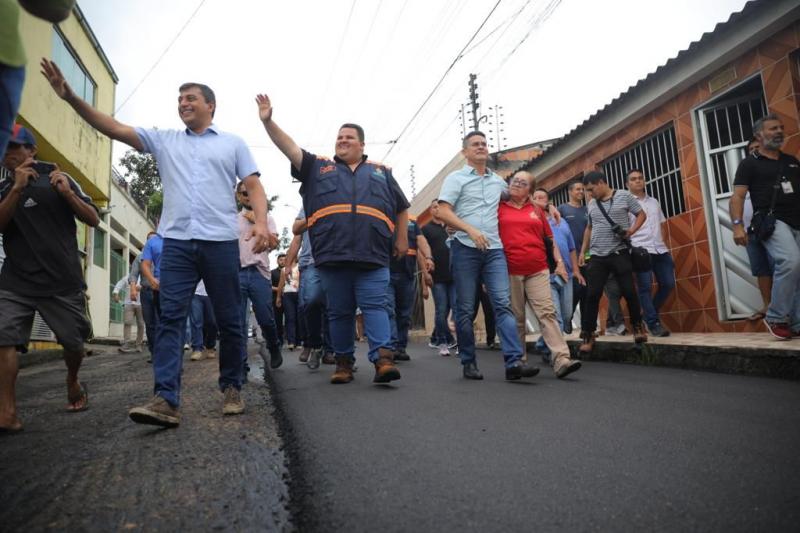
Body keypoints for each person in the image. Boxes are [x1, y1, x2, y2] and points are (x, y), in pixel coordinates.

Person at [42, 59, 273, 426]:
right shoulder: (164, 140)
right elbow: (114, 127)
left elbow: (255, 186)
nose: (183, 103)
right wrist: (71, 97)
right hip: (177, 244)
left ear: (210, 105)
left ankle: (232, 386)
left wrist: (261, 222)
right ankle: (166, 399)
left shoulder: (233, 143)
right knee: (168, 320)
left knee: (230, 320)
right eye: (179, 98)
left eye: (191, 98)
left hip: (219, 244)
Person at [256, 93, 409, 385]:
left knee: (376, 306)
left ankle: (383, 361)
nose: (343, 140)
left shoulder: (382, 172)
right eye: (339, 137)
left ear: (362, 144)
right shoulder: (318, 167)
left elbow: (402, 207)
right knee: (339, 311)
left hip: (373, 253)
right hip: (331, 255)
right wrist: (269, 122)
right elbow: (289, 148)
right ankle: (343, 362)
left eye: (349, 137)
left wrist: (402, 239)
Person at [0, 124, 99, 432]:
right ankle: (8, 413)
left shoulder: (60, 178)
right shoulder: (4, 188)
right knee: (4, 339)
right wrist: (16, 188)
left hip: (62, 282)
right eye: (5, 148)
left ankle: (72, 379)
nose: (8, 154)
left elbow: (93, 218)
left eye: (15, 147)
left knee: (73, 344)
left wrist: (67, 194)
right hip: (16, 282)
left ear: (32, 151)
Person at [435, 131, 530, 381]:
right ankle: (468, 361)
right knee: (465, 309)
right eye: (475, 144)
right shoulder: (455, 179)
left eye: (484, 144)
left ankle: (513, 363)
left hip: (494, 250)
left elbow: (518, 200)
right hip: (464, 247)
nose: (481, 147)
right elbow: (443, 211)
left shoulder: (498, 182)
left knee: (502, 304)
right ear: (464, 152)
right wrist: (469, 229)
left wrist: (547, 206)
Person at [498, 174, 582, 378]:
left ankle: (561, 359)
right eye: (515, 180)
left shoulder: (536, 210)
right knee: (516, 318)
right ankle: (518, 362)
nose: (517, 183)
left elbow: (550, 239)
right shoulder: (498, 206)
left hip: (538, 268)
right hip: (510, 270)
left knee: (547, 312)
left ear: (530, 190)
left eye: (523, 182)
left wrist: (559, 263)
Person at [730, 114, 800, 340]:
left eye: (781, 127)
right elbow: (737, 197)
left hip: (797, 220)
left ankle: (797, 322)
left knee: (797, 272)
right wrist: (737, 226)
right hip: (772, 221)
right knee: (789, 261)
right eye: (772, 128)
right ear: (759, 135)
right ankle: (777, 316)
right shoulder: (749, 164)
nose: (779, 131)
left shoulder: (791, 161)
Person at [578, 170, 648, 353]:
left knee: (629, 291)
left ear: (601, 182)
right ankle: (588, 335)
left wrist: (631, 231)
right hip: (597, 256)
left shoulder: (624, 196)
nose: (590, 194)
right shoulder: (592, 204)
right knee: (592, 295)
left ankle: (638, 328)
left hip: (619, 252)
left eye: (591, 189)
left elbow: (642, 214)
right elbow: (589, 228)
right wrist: (582, 252)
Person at [0, 0, 75, 160]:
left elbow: (59, 8)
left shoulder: (56, 181)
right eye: (8, 146)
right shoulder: (6, 183)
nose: (7, 153)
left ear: (32, 151)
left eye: (12, 145)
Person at [235, 180, 282, 378]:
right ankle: (240, 365)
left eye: (250, 193)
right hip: (236, 273)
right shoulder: (231, 219)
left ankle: (273, 345)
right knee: (238, 322)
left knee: (265, 318)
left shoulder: (267, 218)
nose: (247, 196)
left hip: (259, 273)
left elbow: (274, 244)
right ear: (238, 196)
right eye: (244, 193)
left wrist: (257, 222)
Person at [532, 188, 585, 361]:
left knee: (567, 314)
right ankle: (556, 355)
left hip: (566, 275)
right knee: (557, 318)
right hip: (545, 275)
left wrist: (576, 270)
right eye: (536, 198)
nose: (539, 200)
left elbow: (571, 248)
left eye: (543, 197)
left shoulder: (560, 221)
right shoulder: (532, 221)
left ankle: (542, 344)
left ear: (548, 201)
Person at [626, 168, 675, 337]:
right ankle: (653, 323)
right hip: (640, 250)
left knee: (668, 283)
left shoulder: (654, 201)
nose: (638, 181)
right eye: (633, 179)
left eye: (640, 178)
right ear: (628, 184)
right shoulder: (625, 203)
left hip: (660, 249)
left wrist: (663, 242)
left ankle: (648, 315)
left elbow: (662, 224)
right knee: (645, 288)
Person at [284, 213, 334, 369]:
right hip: (310, 263)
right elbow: (297, 235)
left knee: (331, 308)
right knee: (310, 303)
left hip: (334, 261)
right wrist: (288, 264)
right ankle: (313, 344)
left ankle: (329, 351)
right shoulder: (308, 203)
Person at [386, 216, 433, 362]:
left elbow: (421, 240)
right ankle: (392, 347)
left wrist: (429, 257)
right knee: (390, 311)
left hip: (407, 275)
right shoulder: (384, 218)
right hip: (387, 273)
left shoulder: (412, 223)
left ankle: (401, 347)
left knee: (405, 314)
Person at [740, 137, 774, 322]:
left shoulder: (773, 171)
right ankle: (768, 306)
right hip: (751, 232)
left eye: (757, 148)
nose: (754, 151)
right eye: (751, 149)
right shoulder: (744, 176)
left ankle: (784, 309)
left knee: (780, 268)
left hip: (772, 229)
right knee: (761, 271)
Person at [422, 200, 456, 355]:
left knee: (457, 308)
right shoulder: (426, 229)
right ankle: (442, 343)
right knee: (441, 310)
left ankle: (455, 340)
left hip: (454, 275)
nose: (436, 209)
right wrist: (426, 273)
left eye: (439, 207)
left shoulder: (452, 226)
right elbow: (422, 253)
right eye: (434, 207)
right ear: (430, 210)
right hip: (438, 277)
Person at [557, 180, 589, 333]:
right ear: (570, 192)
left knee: (586, 292)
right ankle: (567, 318)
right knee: (575, 291)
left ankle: (585, 327)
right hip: (570, 258)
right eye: (577, 190)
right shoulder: (562, 209)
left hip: (587, 256)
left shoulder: (586, 210)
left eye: (582, 190)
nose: (581, 192)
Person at [129, 231, 160, 362]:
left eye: (154, 240)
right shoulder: (140, 257)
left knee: (161, 322)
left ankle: (164, 353)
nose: (152, 242)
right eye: (149, 240)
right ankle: (154, 353)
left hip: (161, 292)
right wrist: (132, 290)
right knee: (150, 324)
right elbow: (134, 274)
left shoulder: (162, 254)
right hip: (146, 293)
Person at [113, 273, 144, 353]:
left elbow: (150, 286)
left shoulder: (144, 278)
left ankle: (139, 345)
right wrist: (116, 293)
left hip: (141, 304)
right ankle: (126, 343)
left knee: (141, 324)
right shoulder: (127, 277)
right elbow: (119, 284)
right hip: (128, 304)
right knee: (127, 322)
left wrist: (142, 288)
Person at [188, 280, 217, 361]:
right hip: (195, 293)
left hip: (211, 293)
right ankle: (197, 348)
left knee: (212, 322)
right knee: (196, 321)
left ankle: (210, 346)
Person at [277, 262, 300, 350]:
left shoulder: (300, 266)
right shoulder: (284, 269)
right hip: (287, 294)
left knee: (299, 317)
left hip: (298, 293)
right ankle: (291, 341)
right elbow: (281, 284)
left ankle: (298, 341)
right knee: (290, 317)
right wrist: (278, 297)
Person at [271, 254, 286, 345]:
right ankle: (279, 338)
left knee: (290, 318)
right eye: (281, 260)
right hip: (275, 298)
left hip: (289, 298)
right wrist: (279, 289)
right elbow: (269, 286)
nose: (283, 261)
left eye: (284, 260)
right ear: (277, 261)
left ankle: (292, 339)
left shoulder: (289, 271)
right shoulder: (272, 272)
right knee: (277, 319)